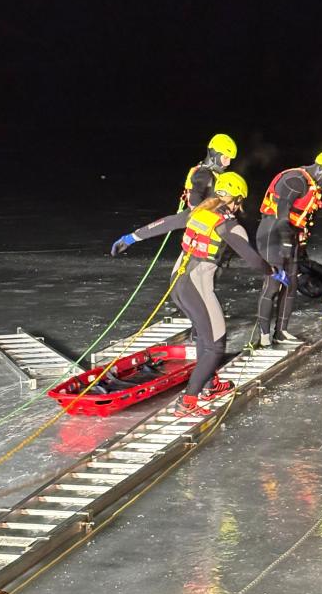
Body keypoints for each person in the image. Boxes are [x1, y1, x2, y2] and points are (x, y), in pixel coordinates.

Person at [110, 172, 286, 418]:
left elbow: (166, 223)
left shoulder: (200, 211)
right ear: (237, 199)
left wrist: (131, 238)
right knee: (215, 344)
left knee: (206, 335)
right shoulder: (229, 225)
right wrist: (274, 272)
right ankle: (188, 401)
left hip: (179, 284)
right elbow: (253, 259)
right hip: (197, 287)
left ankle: (210, 384)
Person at [256, 149, 322, 347]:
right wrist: (285, 240)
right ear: (321, 170)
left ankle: (281, 332)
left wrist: (299, 244)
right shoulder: (295, 180)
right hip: (273, 234)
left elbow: (301, 218)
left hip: (291, 236)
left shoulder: (313, 186)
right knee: (273, 285)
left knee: (291, 284)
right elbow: (282, 213)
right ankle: (263, 335)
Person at [180, 133, 237, 209]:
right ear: (214, 155)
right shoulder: (203, 173)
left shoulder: (211, 173)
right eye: (226, 158)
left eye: (230, 159)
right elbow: (194, 204)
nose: (228, 163)